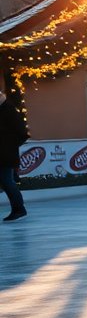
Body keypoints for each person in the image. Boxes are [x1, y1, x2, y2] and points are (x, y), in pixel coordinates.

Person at [0, 88, 27, 222]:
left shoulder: (9, 111)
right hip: (4, 153)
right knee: (6, 182)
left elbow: (23, 134)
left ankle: (19, 209)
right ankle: (19, 209)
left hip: (6, 154)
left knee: (7, 181)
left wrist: (9, 146)